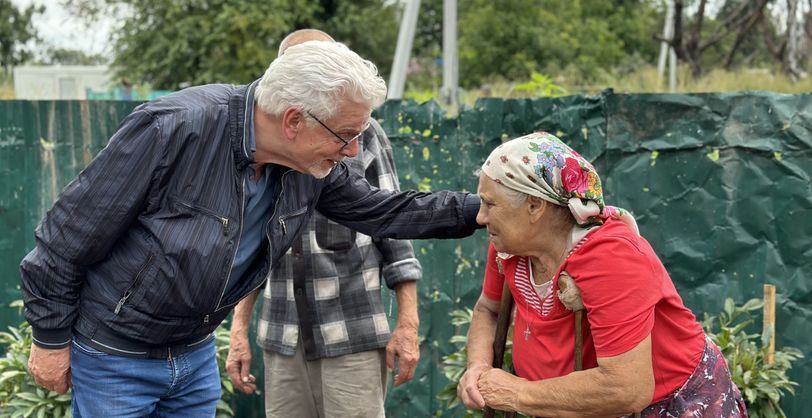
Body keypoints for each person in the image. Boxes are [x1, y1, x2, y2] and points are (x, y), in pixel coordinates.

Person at [20, 40, 481, 417]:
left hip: (194, 355)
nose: (352, 149)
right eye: (345, 135)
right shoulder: (176, 128)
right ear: (294, 120)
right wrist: (50, 341)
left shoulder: (308, 167)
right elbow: (63, 240)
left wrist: (481, 209)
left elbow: (385, 211)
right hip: (114, 357)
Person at [457, 132, 746, 417]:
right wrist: (478, 367)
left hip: (668, 405)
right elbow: (489, 310)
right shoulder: (510, 247)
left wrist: (518, 394)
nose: (481, 217)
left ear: (535, 206)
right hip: (567, 407)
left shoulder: (610, 256)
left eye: (490, 204)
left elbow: (626, 388)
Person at [226, 29, 421, 418]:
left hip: (352, 334)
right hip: (282, 337)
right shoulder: (264, 144)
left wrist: (408, 326)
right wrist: (238, 331)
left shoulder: (360, 135)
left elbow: (394, 228)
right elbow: (251, 248)